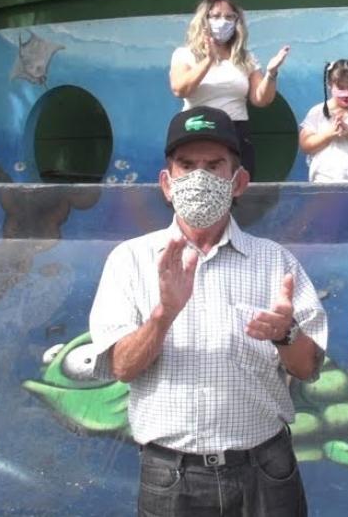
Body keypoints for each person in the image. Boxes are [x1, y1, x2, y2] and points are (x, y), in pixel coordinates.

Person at [87, 105, 327, 517]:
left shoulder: (276, 263)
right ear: (167, 183)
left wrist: (285, 332)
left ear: (239, 182)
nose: (199, 177)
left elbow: (308, 368)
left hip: (265, 472)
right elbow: (122, 367)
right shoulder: (129, 261)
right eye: (186, 165)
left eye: (214, 165)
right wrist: (163, 315)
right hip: (171, 478)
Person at [170, 0, 290, 176]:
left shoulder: (245, 58)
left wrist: (271, 74)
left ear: (237, 21)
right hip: (197, 128)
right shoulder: (185, 54)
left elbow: (261, 99)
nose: (223, 22)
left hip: (235, 130)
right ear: (204, 20)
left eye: (229, 17)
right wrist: (209, 60)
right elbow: (180, 89)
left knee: (239, 189)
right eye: (216, 16)